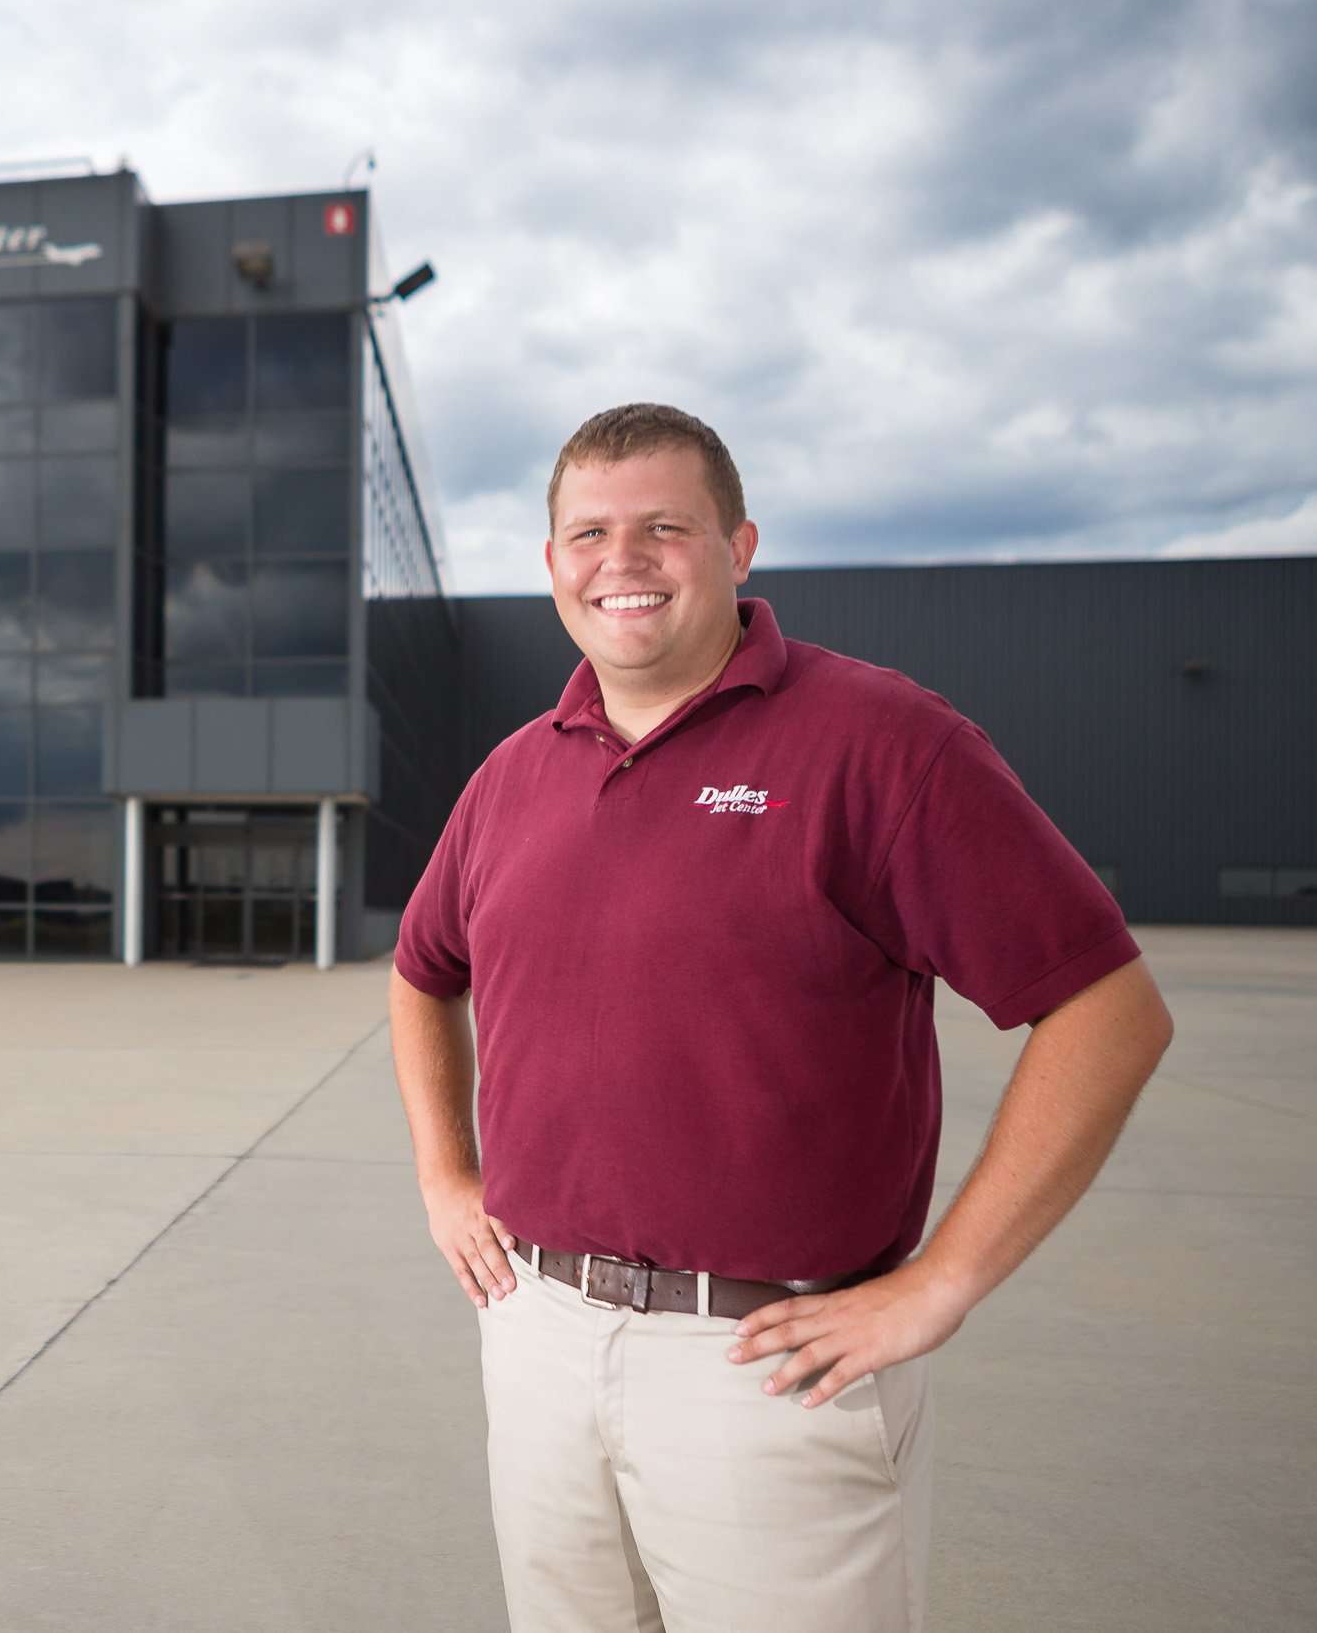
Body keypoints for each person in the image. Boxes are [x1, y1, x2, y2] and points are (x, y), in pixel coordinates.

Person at [388, 403, 1174, 1633]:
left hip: (764, 1364)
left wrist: (944, 1280)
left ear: (739, 544)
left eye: (665, 526)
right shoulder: (511, 773)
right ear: (550, 566)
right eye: (588, 531)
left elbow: (1106, 1007)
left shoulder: (881, 742)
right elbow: (420, 967)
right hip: (535, 1332)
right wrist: (446, 1175)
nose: (622, 559)